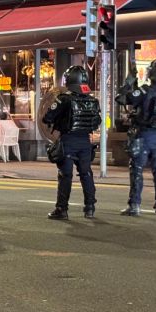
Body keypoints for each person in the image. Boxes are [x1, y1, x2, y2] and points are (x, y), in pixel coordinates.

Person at [116, 58, 156, 216]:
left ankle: (135, 205)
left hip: (143, 136)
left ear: (152, 74)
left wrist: (130, 80)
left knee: (137, 170)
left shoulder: (146, 90)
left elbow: (121, 98)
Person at [43, 65, 101, 220]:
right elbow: (97, 122)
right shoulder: (93, 101)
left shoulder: (64, 100)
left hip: (68, 141)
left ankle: (62, 209)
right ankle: (90, 207)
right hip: (85, 142)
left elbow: (47, 117)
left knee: (65, 175)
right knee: (86, 174)